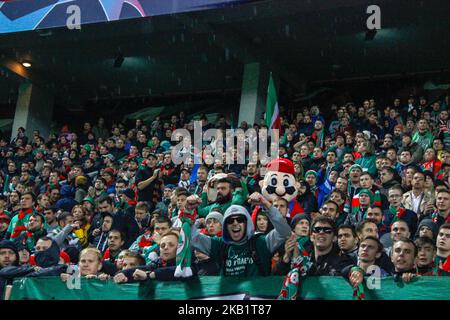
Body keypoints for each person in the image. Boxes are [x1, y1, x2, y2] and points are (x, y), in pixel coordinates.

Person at [190, 192, 291, 276]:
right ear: (225, 226)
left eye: (240, 219)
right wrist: (189, 212)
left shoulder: (261, 243)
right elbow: (191, 238)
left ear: (247, 223)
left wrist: (266, 204)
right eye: (230, 221)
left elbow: (284, 232)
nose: (235, 223)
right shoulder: (220, 245)